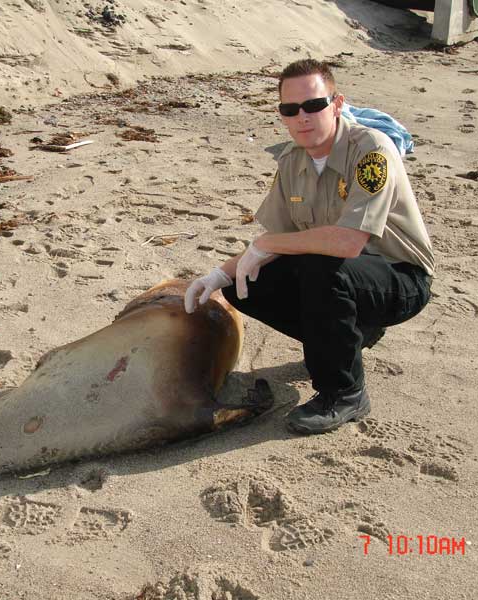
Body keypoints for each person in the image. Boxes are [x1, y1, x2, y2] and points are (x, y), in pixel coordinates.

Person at [184, 58, 434, 435]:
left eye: (314, 105)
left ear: (336, 104)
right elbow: (274, 245)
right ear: (282, 115)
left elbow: (348, 242)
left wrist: (265, 243)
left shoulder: (371, 151)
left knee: (321, 269)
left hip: (399, 278)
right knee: (246, 284)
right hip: (340, 275)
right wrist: (218, 274)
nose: (302, 117)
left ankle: (344, 393)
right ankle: (345, 339)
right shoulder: (291, 161)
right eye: (290, 109)